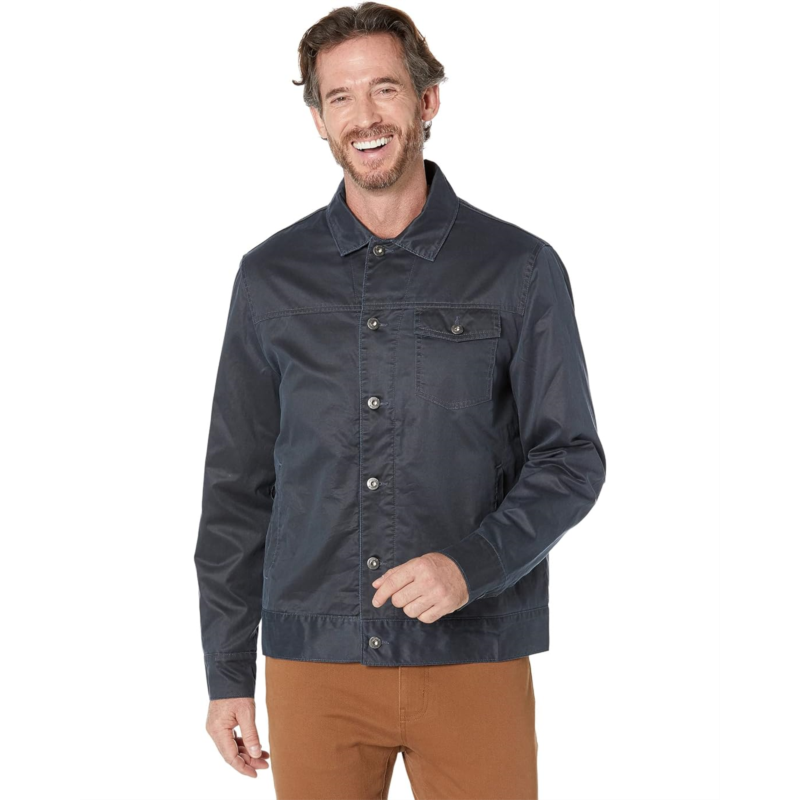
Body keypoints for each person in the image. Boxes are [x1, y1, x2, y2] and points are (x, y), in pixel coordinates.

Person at [194, 3, 606, 797]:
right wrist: (226, 671)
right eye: (340, 97)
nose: (365, 116)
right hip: (313, 667)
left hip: (472, 652)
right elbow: (237, 488)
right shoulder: (269, 278)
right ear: (318, 119)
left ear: (426, 100)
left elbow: (571, 458)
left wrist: (469, 567)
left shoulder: (518, 268)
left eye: (384, 88)